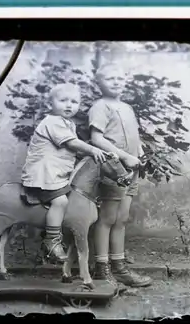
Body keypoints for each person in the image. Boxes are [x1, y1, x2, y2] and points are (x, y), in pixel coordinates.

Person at [21, 83, 107, 262]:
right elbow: (72, 144)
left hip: (56, 173)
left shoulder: (68, 124)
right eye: (63, 101)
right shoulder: (52, 122)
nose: (69, 105)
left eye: (74, 102)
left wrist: (98, 152)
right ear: (50, 103)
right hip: (45, 174)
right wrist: (92, 150)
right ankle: (51, 240)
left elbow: (74, 149)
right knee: (60, 202)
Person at [88, 63, 153, 288]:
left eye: (119, 77)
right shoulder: (100, 106)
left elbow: (131, 135)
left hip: (131, 169)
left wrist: (139, 151)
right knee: (107, 218)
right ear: (99, 83)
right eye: (109, 78)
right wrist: (125, 156)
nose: (116, 81)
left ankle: (120, 268)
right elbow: (97, 139)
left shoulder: (127, 107)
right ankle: (101, 269)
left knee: (122, 219)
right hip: (114, 169)